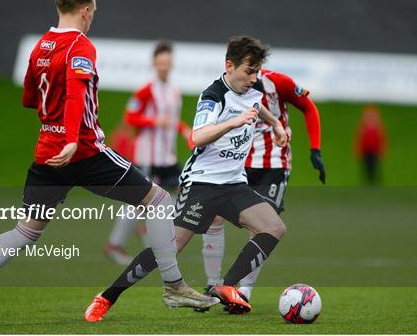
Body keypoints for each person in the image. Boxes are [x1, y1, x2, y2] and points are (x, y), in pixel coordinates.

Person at [0, 0, 217, 328]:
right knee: (160, 201)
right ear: (86, 10)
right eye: (94, 10)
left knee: (24, 231)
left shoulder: (41, 46)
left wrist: (55, 126)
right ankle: (174, 286)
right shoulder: (81, 47)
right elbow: (74, 92)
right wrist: (71, 138)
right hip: (83, 152)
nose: (93, 16)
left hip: (46, 157)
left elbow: (29, 98)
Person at [82, 35, 291, 322]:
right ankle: (107, 297)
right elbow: (197, 136)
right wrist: (232, 122)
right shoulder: (212, 96)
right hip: (202, 186)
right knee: (167, 248)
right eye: (249, 71)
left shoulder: (252, 89)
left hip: (234, 185)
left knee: (274, 227)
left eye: (257, 71)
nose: (254, 78)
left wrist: (277, 125)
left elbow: (258, 107)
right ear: (229, 65)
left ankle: (225, 286)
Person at [197, 68, 324, 311]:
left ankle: (243, 292)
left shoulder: (279, 82)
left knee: (263, 227)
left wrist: (315, 148)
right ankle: (213, 289)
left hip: (273, 165)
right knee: (214, 218)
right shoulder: (227, 87)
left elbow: (309, 107)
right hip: (239, 164)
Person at [104, 41, 192, 265]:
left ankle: (147, 231)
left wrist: (184, 130)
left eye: (168, 62)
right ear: (154, 63)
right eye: (161, 62)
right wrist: (153, 120)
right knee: (138, 201)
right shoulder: (146, 91)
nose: (164, 66)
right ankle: (115, 244)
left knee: (176, 196)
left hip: (167, 157)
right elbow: (130, 117)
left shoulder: (173, 90)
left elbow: (171, 120)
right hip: (148, 158)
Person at [355, 104, 386, 185]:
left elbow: (381, 141)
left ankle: (375, 183)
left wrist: (381, 152)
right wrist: (359, 151)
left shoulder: (377, 129)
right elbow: (360, 140)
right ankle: (368, 183)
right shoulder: (364, 129)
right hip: (366, 153)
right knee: (366, 169)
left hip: (374, 152)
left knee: (375, 169)